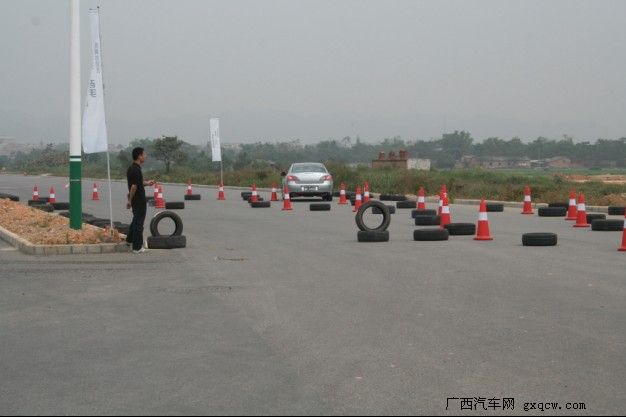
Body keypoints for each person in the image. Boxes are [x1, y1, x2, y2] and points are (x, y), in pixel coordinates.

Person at [126, 147, 155, 253]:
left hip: (136, 199)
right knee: (139, 223)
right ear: (139, 156)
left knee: (136, 220)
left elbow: (137, 182)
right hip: (138, 200)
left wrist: (147, 183)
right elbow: (134, 186)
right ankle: (137, 247)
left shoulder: (132, 168)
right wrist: (129, 200)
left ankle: (129, 240)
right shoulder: (136, 170)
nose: (145, 156)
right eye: (144, 154)